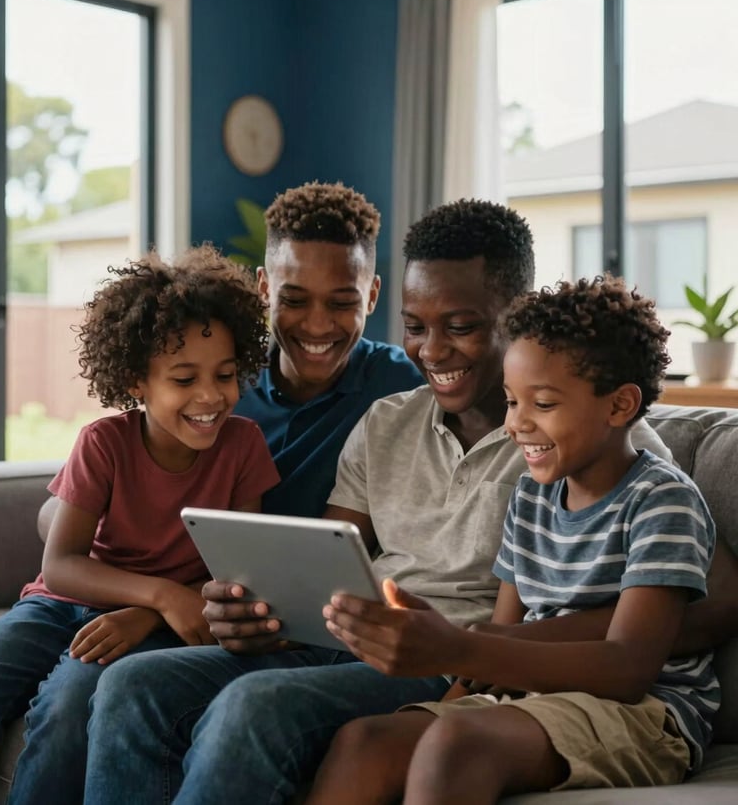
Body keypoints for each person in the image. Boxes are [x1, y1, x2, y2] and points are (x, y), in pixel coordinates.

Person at [84, 200, 731, 805]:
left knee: (254, 706)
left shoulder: (596, 441)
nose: (431, 350)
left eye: (461, 327)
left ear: (517, 314)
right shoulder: (391, 422)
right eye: (416, 327)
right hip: (375, 633)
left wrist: (467, 647)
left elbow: (706, 598)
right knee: (132, 685)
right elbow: (330, 566)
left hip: (443, 646)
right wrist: (264, 609)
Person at [305, 275, 718, 805]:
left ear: (619, 407)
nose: (517, 425)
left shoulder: (661, 500)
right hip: (534, 693)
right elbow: (502, 633)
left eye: (541, 405)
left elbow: (629, 667)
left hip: (646, 712)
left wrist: (460, 648)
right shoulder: (531, 495)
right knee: (367, 740)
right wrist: (449, 680)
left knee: (457, 744)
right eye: (510, 402)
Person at [0, 244, 279, 805]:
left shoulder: (243, 448)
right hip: (61, 604)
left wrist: (151, 613)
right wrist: (157, 593)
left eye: (227, 375)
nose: (211, 396)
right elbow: (60, 565)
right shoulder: (104, 443)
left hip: (158, 623)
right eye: (184, 379)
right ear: (137, 380)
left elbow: (239, 572)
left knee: (70, 706)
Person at [234, 180, 423, 519]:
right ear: (264, 288)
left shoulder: (403, 384)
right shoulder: (225, 385)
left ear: (372, 296)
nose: (317, 325)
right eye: (294, 300)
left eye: (341, 303)